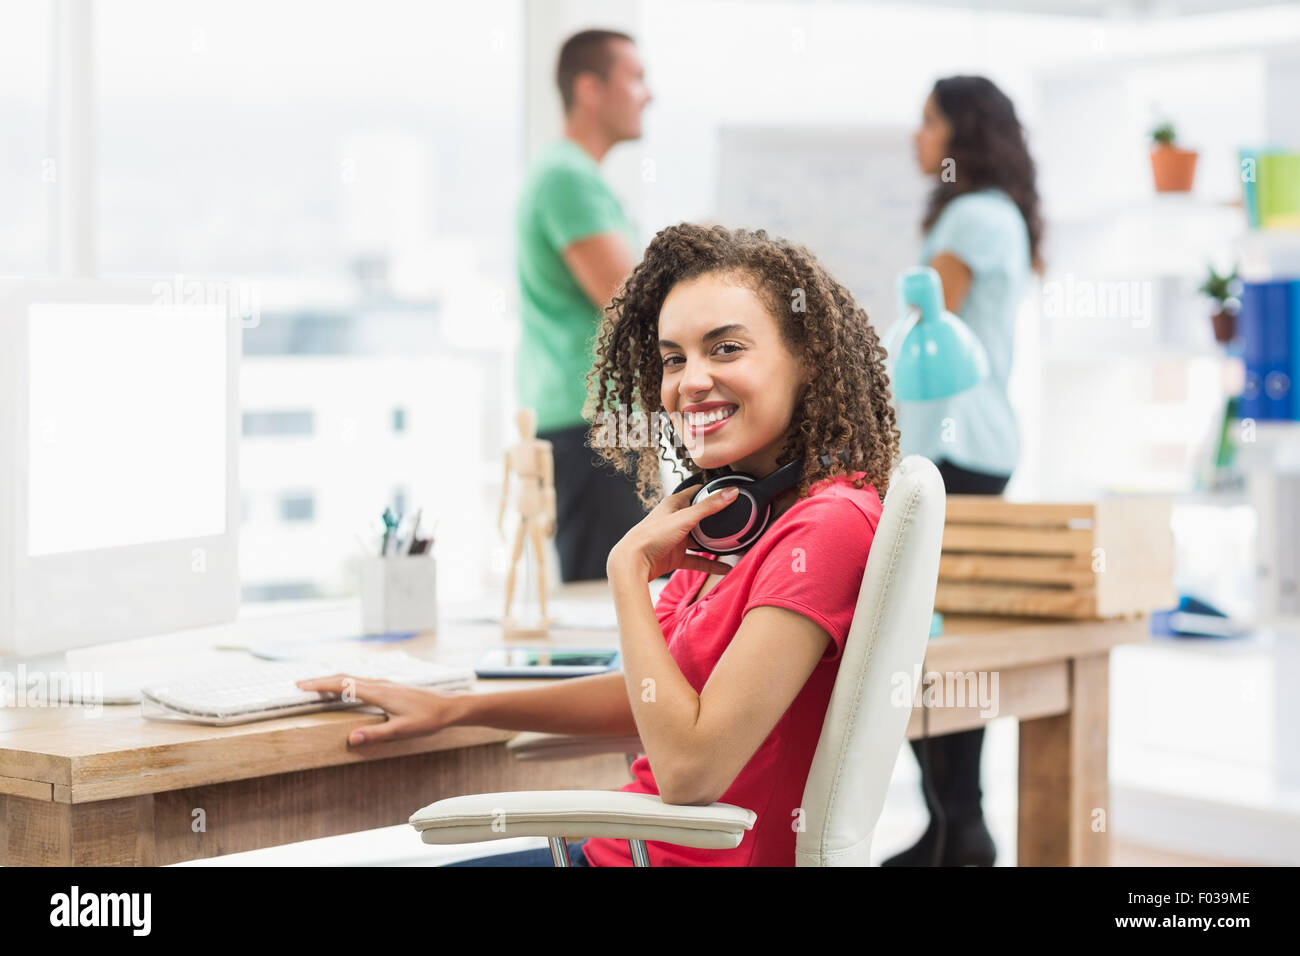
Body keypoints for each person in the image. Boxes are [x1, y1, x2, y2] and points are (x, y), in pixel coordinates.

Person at [298, 223, 902, 866]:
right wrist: (457, 709)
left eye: (725, 349)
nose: (690, 382)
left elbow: (690, 770)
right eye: (674, 358)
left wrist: (627, 571)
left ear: (807, 358)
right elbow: (648, 697)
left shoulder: (825, 526)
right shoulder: (736, 513)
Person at [883, 75, 1045, 867]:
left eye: (927, 121)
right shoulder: (986, 212)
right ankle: (955, 825)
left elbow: (925, 318)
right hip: (965, 448)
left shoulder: (975, 214)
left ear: (963, 133)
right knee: (928, 641)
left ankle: (962, 826)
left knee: (930, 643)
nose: (917, 138)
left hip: (956, 449)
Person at [515, 29, 654, 583]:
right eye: (635, 78)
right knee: (614, 602)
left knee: (628, 594)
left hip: (602, 422)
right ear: (590, 89)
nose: (649, 94)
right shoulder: (567, 178)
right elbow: (633, 303)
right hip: (595, 424)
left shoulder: (577, 177)